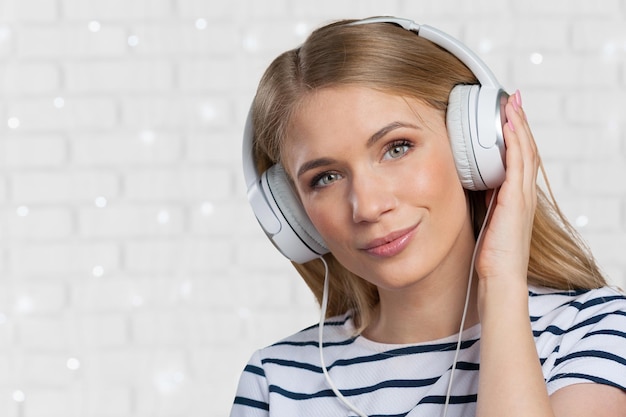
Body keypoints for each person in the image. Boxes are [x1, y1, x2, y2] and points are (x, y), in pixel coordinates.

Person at [231, 16, 626, 417]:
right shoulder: (276, 382)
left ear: (474, 146)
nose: (368, 207)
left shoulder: (594, 331)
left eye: (397, 148)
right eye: (326, 178)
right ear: (292, 212)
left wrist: (502, 280)